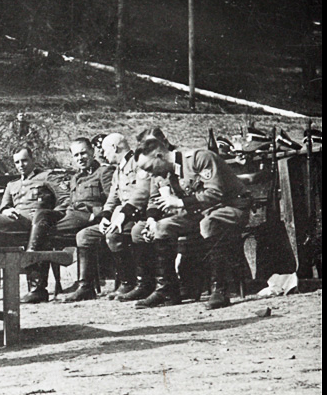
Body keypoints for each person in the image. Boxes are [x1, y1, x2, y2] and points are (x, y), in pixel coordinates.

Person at [132, 136, 252, 310]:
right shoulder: (165, 174)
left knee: (208, 223)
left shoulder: (199, 158)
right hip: (199, 213)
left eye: (149, 168)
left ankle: (220, 289)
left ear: (159, 155)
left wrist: (180, 202)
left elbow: (215, 193)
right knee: (162, 227)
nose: (150, 174)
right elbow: (157, 199)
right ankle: (167, 290)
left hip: (230, 207)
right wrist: (152, 219)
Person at [24, 138, 114, 303]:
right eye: (76, 155)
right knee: (41, 216)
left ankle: (38, 282)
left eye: (83, 153)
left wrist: (96, 214)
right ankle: (36, 283)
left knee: (42, 234)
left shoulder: (104, 172)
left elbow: (113, 200)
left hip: (90, 218)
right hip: (71, 216)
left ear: (92, 152)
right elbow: (69, 203)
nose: (80, 158)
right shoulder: (75, 177)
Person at [72, 133, 151, 302]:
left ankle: (128, 282)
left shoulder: (138, 163)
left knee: (114, 234)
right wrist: (106, 216)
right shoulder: (118, 170)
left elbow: (141, 194)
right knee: (84, 236)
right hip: (121, 216)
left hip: (138, 215)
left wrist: (121, 216)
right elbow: (113, 197)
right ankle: (85, 287)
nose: (102, 154)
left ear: (115, 148)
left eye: (104, 150)